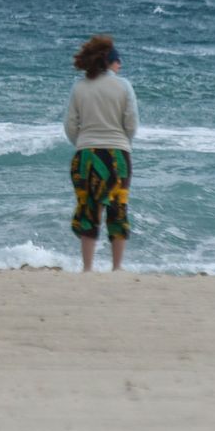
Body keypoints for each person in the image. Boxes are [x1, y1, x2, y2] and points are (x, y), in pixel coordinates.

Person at [63, 35, 139, 272]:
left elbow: (70, 126)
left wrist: (84, 143)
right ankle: (117, 268)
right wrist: (121, 141)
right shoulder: (123, 86)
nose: (121, 66)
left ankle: (88, 268)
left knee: (88, 209)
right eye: (118, 61)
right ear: (109, 62)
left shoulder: (79, 87)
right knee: (118, 208)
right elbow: (132, 124)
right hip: (117, 155)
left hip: (85, 155)